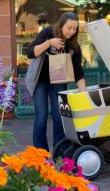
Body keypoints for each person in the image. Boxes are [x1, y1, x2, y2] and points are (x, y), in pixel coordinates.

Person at [26, 12, 86, 151]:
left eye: (74, 28)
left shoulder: (73, 45)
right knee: (41, 117)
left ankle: (60, 150)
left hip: (58, 82)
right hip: (39, 81)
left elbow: (78, 72)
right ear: (61, 25)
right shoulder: (47, 33)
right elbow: (30, 52)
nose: (72, 31)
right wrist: (48, 43)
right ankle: (41, 154)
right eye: (69, 27)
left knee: (59, 117)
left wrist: (84, 94)